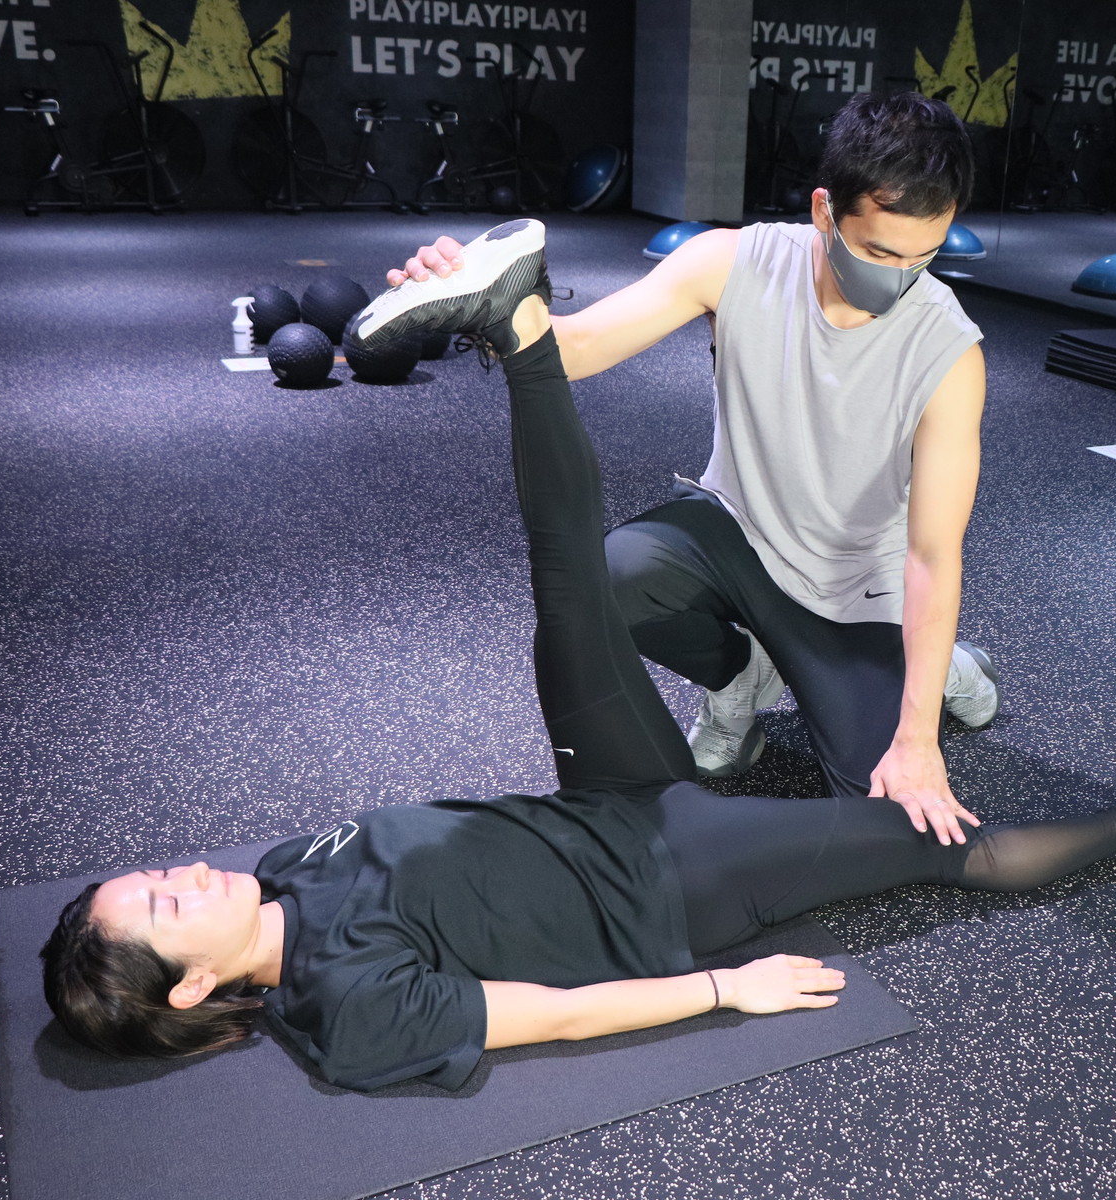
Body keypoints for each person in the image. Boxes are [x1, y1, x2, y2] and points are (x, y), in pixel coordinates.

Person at [42, 223, 1116, 1093]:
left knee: (568, 578)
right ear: (190, 988)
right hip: (671, 881)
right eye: (168, 903)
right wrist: (727, 990)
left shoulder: (281, 870)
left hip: (603, 795)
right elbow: (549, 1018)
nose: (188, 873)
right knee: (939, 841)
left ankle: (514, 319)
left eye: (158, 873)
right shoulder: (346, 1009)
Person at [384, 92, 994, 847]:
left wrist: (918, 740)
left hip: (855, 589)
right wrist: (481, 303)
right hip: (737, 533)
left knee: (886, 819)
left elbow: (932, 556)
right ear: (824, 212)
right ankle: (738, 673)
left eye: (922, 257)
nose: (898, 279)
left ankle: (938, 667)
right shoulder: (731, 263)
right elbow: (577, 348)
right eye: (878, 253)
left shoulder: (950, 354)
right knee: (606, 579)